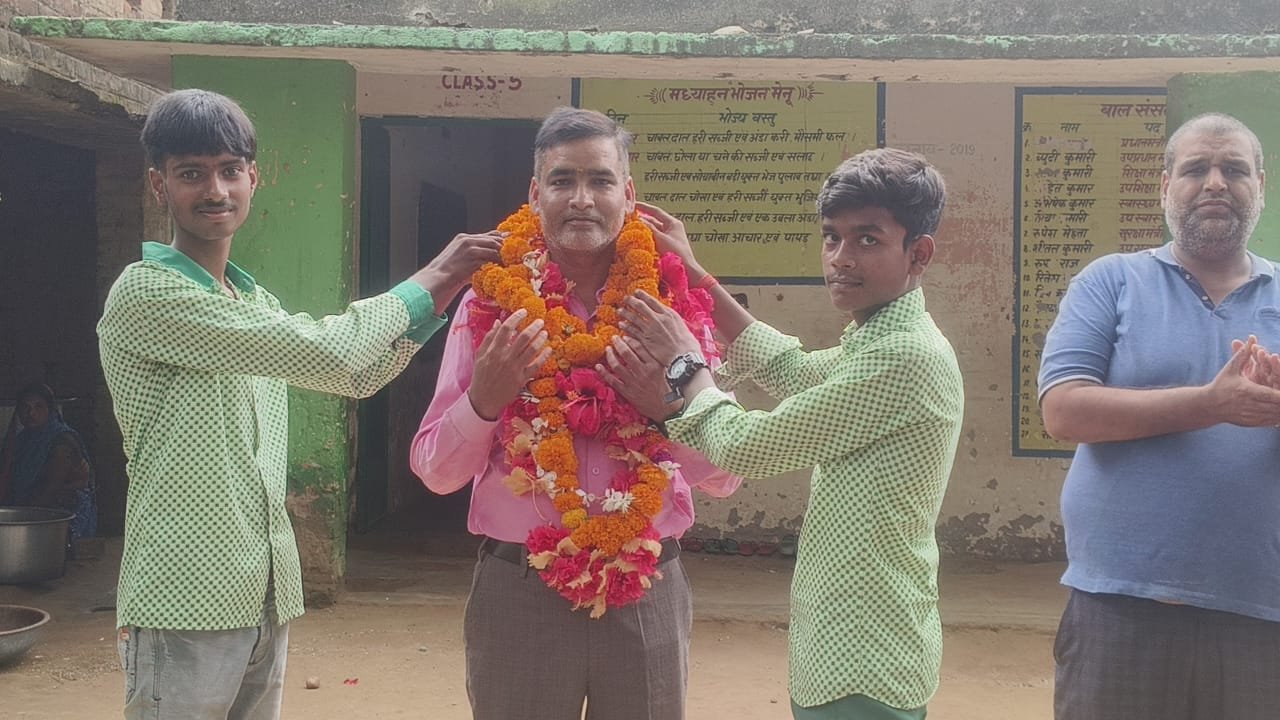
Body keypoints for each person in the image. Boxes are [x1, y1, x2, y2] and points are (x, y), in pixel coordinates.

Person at [97, 88, 501, 720]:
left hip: (262, 588)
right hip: (184, 591)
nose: (215, 190)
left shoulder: (252, 302)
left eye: (230, 171)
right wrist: (433, 274)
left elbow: (355, 378)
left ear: (254, 179)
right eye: (191, 173)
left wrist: (442, 296)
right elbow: (334, 351)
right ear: (158, 185)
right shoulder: (147, 293)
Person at [600, 147, 965, 719]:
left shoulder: (904, 356)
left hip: (863, 652)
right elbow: (792, 370)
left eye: (868, 239)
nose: (841, 258)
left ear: (918, 253)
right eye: (831, 237)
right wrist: (695, 276)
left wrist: (683, 370)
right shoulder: (880, 338)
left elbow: (748, 447)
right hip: (849, 642)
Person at [409, 107, 741, 720]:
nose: (581, 199)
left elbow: (726, 474)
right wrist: (485, 401)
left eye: (600, 180)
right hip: (519, 591)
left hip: (646, 586)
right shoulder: (491, 305)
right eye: (563, 180)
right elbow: (436, 472)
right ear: (536, 194)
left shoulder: (671, 306)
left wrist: (669, 409)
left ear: (628, 194)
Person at [1038, 112, 1280, 720]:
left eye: (1235, 170)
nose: (1216, 183)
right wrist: (1211, 404)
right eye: (1196, 169)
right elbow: (1063, 410)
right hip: (1119, 607)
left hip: (1262, 614)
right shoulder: (1111, 281)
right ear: (1166, 186)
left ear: (1260, 186)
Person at [0, 382, 97, 542]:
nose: (31, 413)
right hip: (30, 512)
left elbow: (49, 491)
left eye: (38, 407)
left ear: (50, 410)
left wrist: (18, 520)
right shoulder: (22, 441)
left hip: (63, 521)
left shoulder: (62, 442)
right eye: (25, 407)